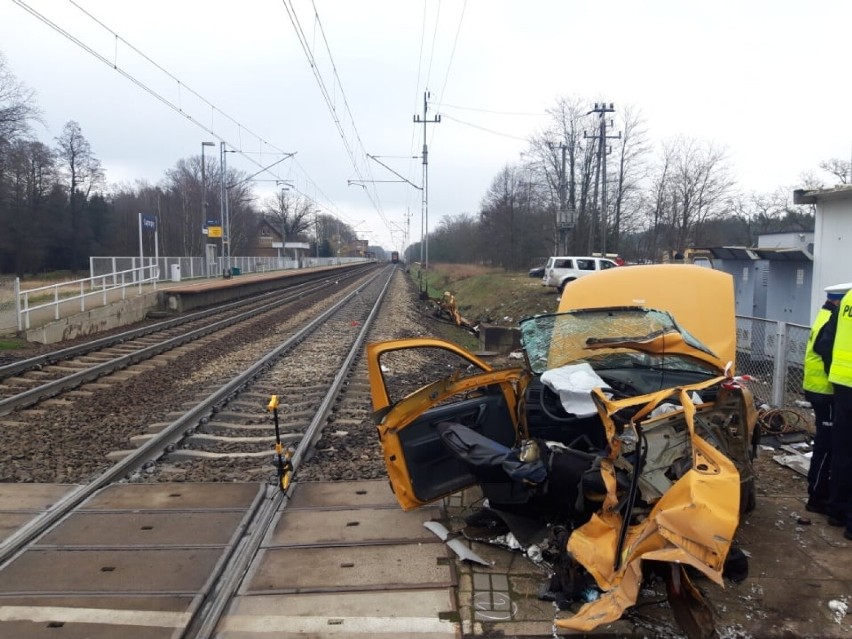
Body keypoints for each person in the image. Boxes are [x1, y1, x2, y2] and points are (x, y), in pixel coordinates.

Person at [803, 284, 849, 514]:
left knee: (828, 444)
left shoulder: (824, 315)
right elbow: (826, 350)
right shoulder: (830, 320)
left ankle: (819, 493)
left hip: (821, 389)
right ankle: (818, 495)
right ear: (838, 302)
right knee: (828, 445)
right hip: (827, 392)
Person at [814, 283, 852, 540]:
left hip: (842, 386)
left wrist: (834, 374)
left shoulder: (848, 299)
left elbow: (826, 342)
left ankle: (837, 510)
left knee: (842, 451)